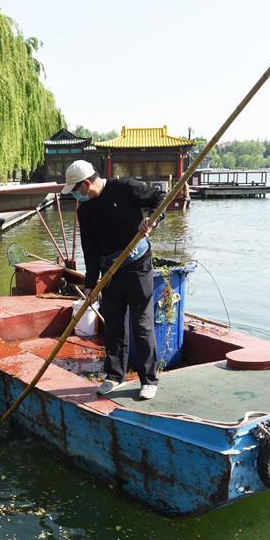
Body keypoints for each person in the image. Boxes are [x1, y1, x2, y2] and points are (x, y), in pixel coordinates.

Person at [62, 160, 165, 400]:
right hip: (110, 272)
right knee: (114, 325)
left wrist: (151, 220)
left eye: (77, 191)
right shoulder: (84, 210)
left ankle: (149, 379)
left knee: (141, 324)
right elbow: (90, 249)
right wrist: (90, 284)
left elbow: (160, 198)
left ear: (86, 184)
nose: (76, 196)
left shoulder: (125, 188)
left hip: (138, 265)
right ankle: (115, 376)